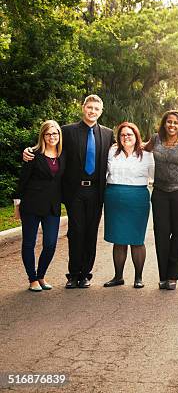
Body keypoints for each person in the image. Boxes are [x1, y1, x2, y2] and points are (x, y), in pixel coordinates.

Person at [24, 95, 114, 288]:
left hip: (96, 192)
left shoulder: (107, 134)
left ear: (101, 111)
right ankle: (73, 274)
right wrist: (28, 151)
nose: (92, 111)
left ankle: (85, 274)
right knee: (76, 232)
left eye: (96, 109)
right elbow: (48, 145)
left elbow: (122, 150)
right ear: (83, 108)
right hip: (74, 192)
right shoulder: (67, 131)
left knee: (90, 233)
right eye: (89, 107)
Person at [146, 110, 178, 291]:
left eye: (176, 123)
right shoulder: (155, 139)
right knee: (161, 233)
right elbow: (140, 149)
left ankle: (173, 276)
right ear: (164, 123)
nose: (172, 125)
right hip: (160, 191)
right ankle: (163, 275)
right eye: (169, 122)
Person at [102, 122, 154, 289]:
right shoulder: (111, 151)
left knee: (137, 239)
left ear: (136, 136)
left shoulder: (146, 154)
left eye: (129, 134)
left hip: (137, 199)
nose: (126, 137)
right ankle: (118, 277)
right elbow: (103, 173)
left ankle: (138, 277)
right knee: (119, 239)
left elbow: (155, 175)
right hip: (114, 197)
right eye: (123, 135)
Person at [15, 120, 65, 292]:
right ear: (43, 135)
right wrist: (17, 203)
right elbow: (23, 180)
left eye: (55, 133)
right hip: (31, 205)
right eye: (49, 134)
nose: (52, 137)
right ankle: (32, 279)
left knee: (50, 243)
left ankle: (41, 276)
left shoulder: (63, 155)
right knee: (29, 243)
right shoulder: (33, 154)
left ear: (59, 135)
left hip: (52, 206)